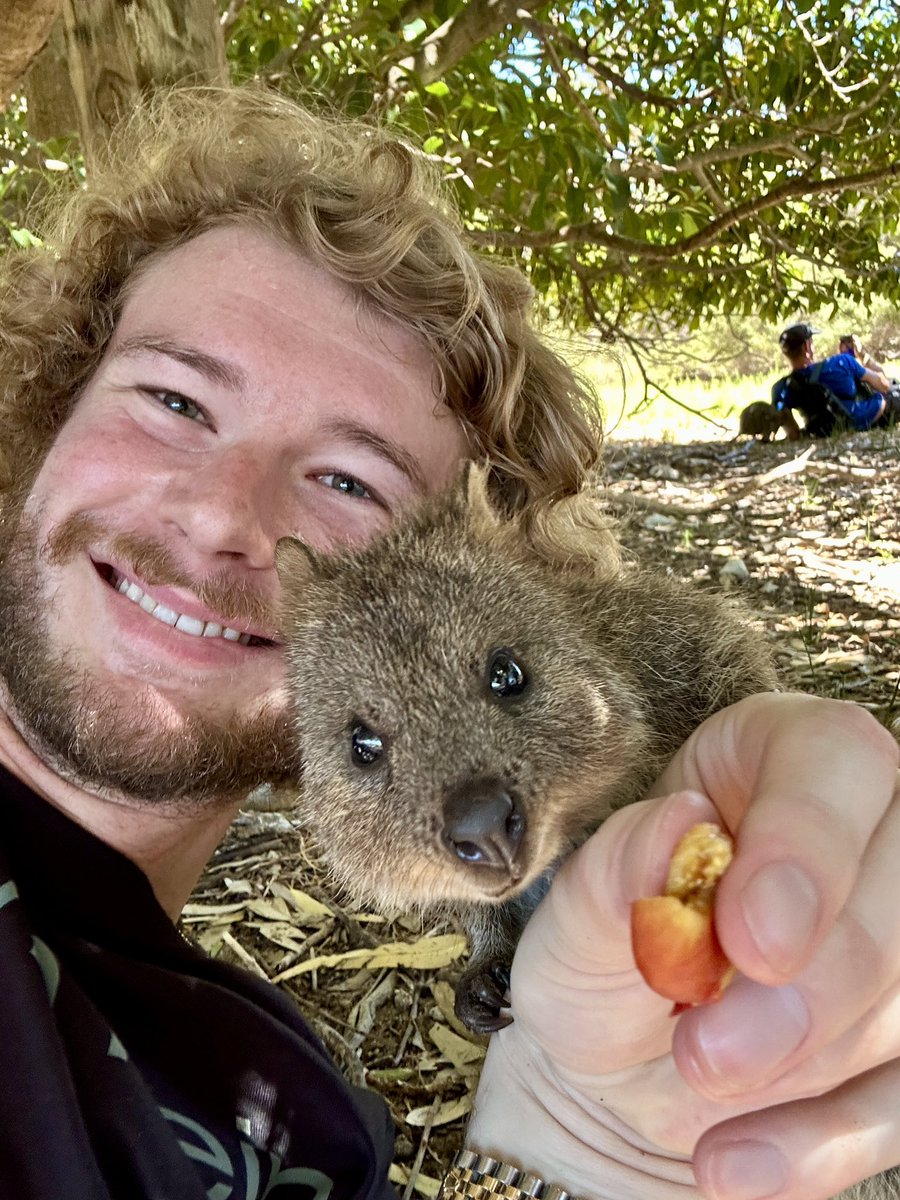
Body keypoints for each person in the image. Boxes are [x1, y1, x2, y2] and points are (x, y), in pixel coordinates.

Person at [0, 84, 898, 1200]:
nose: (226, 516)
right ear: (45, 416)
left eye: (346, 478)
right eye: (177, 401)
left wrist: (583, 1152)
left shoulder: (294, 1111)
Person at [771, 322, 894, 436]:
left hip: (823, 431)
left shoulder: (780, 388)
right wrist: (863, 356)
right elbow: (884, 385)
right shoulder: (841, 361)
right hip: (866, 417)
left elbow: (793, 433)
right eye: (811, 341)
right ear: (806, 347)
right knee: (892, 388)